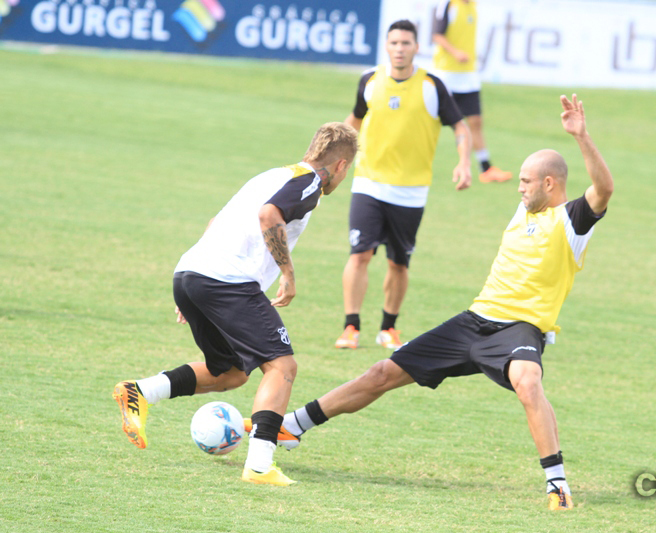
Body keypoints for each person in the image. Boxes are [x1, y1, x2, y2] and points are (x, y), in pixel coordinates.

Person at [280, 95, 613, 510]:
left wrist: (581, 136)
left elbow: (604, 188)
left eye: (526, 180)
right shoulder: (524, 212)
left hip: (518, 330)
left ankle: (557, 484)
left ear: (550, 184)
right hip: (473, 321)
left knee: (528, 383)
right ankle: (294, 425)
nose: (518, 186)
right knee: (382, 372)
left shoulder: (571, 220)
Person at [112, 122, 359, 486]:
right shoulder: (309, 182)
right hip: (226, 281)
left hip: (192, 274)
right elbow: (269, 215)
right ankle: (260, 465)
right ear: (340, 166)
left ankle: (139, 392)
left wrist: (196, 287)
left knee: (231, 373)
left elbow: (217, 220)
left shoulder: (272, 174)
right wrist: (287, 272)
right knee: (282, 367)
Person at [335, 19, 472, 352]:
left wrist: (464, 162)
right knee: (360, 255)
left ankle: (388, 328)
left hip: (411, 191)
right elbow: (354, 118)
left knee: (399, 262)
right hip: (368, 183)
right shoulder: (369, 80)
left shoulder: (431, 85)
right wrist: (333, 153)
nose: (399, 49)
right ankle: (351, 326)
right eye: (394, 43)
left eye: (406, 43)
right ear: (386, 46)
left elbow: (460, 127)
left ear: (416, 47)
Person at [432, 0, 513, 184]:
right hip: (446, 73)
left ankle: (486, 169)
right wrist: (455, 53)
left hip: (468, 74)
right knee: (431, 120)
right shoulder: (447, 4)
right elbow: (437, 35)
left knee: (475, 121)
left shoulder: (474, 6)